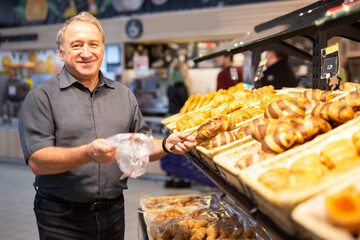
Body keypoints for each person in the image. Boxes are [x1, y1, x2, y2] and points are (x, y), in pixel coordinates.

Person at [18, 11, 197, 240]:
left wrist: (165, 144)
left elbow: (141, 144)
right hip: (61, 217)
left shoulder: (123, 94)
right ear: (61, 53)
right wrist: (88, 153)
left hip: (112, 212)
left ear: (102, 49)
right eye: (76, 45)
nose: (86, 52)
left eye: (93, 44)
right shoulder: (41, 97)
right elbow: (37, 161)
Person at [162, 62, 192, 188]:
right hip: (178, 121)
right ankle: (179, 179)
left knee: (169, 150)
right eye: (186, 70)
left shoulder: (170, 83)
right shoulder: (181, 85)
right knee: (179, 151)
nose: (187, 73)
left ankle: (169, 178)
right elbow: (185, 106)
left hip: (168, 119)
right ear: (182, 71)